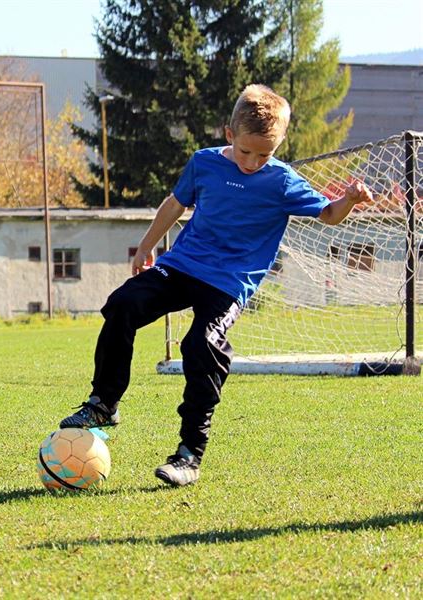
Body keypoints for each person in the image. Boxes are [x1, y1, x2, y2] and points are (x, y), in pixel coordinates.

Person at [59, 84, 372, 487]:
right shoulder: (204, 164)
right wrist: (145, 248)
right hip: (182, 266)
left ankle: (189, 454)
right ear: (229, 134)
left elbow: (328, 214)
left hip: (228, 284)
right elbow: (174, 205)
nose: (254, 161)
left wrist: (349, 200)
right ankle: (104, 402)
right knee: (123, 303)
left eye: (265, 154)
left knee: (201, 346)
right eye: (246, 151)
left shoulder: (282, 181)